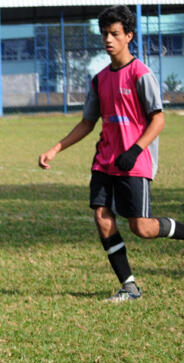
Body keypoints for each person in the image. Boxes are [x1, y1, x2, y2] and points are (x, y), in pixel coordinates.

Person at [38, 5, 183, 302]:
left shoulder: (141, 74)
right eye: (105, 34)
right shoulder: (100, 79)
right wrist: (55, 149)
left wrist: (134, 150)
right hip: (104, 161)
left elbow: (158, 119)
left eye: (115, 34)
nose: (108, 39)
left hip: (134, 163)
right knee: (102, 218)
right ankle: (129, 286)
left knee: (141, 227)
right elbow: (87, 123)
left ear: (128, 36)